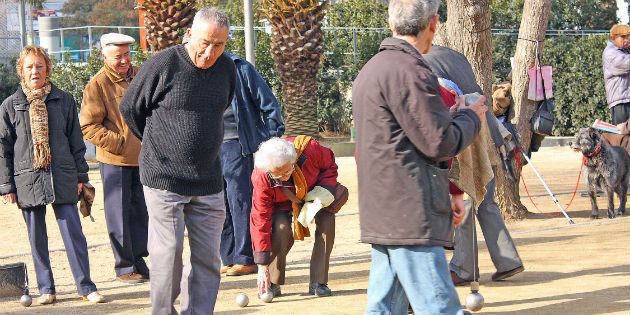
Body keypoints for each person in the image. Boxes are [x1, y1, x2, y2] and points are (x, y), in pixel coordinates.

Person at [351, 0, 488, 313]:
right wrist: (469, 117)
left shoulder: (372, 69)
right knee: (439, 306)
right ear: (433, 23)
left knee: (384, 308)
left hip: (383, 210)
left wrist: (451, 191)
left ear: (391, 22)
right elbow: (439, 142)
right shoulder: (410, 71)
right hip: (410, 213)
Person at [119, 7, 236, 315]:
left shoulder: (227, 70)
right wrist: (161, 143)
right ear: (188, 35)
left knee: (208, 259)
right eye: (205, 42)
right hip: (164, 178)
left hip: (208, 180)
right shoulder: (163, 64)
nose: (210, 51)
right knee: (168, 255)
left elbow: (222, 106)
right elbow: (131, 108)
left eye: (219, 45)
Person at [0, 45, 106, 305]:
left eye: (39, 65)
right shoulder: (10, 105)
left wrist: (81, 176)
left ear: (47, 68)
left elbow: (76, 142)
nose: (34, 71)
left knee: (74, 233)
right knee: (37, 238)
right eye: (29, 67)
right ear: (21, 72)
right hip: (27, 178)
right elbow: (3, 148)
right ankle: (46, 289)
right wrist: (6, 186)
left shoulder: (64, 100)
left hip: (63, 175)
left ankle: (86, 286)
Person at [424, 45, 524, 285]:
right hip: (486, 133)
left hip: (462, 138)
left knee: (464, 202)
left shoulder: (418, 62)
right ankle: (508, 261)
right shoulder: (454, 55)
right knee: (486, 201)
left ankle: (463, 268)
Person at [80, 33, 149, 284]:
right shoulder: (96, 85)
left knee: (142, 212)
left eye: (127, 55)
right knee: (118, 215)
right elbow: (88, 125)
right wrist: (120, 144)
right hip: (115, 160)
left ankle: (139, 260)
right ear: (104, 57)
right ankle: (124, 266)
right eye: (117, 56)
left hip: (144, 159)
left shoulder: (141, 74)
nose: (124, 61)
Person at [219, 53, 285, 276]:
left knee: (240, 201)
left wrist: (270, 140)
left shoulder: (240, 68)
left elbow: (269, 104)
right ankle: (228, 257)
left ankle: (245, 257)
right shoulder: (195, 69)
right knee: (218, 204)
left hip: (238, 145)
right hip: (208, 147)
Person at [251, 136, 338, 298]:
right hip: (281, 203)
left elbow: (330, 165)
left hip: (313, 191)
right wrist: (262, 265)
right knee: (281, 229)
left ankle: (318, 281)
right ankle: (272, 282)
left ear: (294, 159)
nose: (284, 177)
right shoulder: (261, 175)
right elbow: (260, 219)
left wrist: (324, 190)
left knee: (327, 221)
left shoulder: (309, 149)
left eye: (287, 171)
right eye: (278, 176)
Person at [603, 24, 630, 125]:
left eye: (628, 36)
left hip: (627, 99)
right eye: (623, 37)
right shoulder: (611, 53)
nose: (627, 40)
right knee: (622, 137)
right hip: (621, 102)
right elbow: (627, 63)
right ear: (614, 38)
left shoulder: (625, 51)